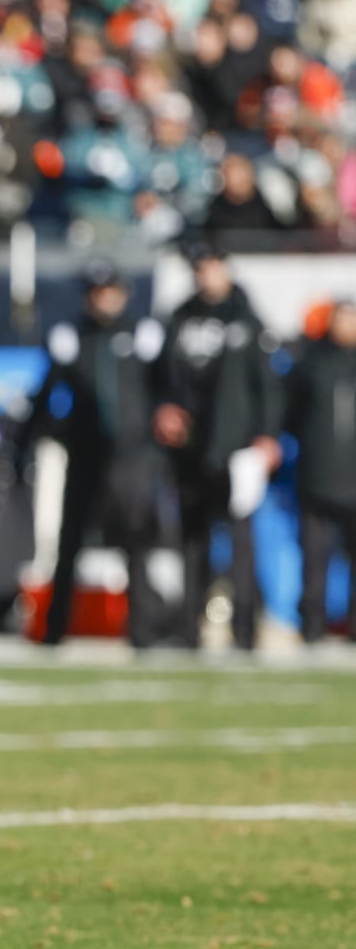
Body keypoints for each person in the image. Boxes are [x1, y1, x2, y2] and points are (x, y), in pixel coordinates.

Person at [153, 241, 282, 651]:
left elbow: (267, 385)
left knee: (242, 541)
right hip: (191, 449)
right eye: (198, 268)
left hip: (237, 448)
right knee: (192, 539)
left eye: (210, 267)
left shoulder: (248, 321)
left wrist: (267, 434)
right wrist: (165, 409)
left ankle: (245, 629)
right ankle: (188, 628)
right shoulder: (179, 318)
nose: (204, 275)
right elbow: (159, 380)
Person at [29, 261, 165, 648]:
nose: (104, 299)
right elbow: (46, 393)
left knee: (135, 540)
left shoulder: (143, 333)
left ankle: (142, 629)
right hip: (86, 454)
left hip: (132, 456)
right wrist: (49, 432)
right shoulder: (71, 335)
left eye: (111, 291)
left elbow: (163, 389)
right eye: (97, 292)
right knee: (70, 539)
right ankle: (55, 628)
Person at [285, 298, 356, 644]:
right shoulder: (311, 363)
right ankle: (312, 625)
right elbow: (291, 413)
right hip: (317, 476)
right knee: (314, 558)